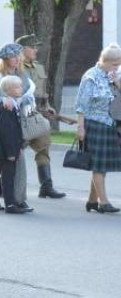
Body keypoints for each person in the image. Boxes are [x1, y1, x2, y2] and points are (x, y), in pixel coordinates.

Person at [75, 44, 121, 214]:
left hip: (109, 123)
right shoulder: (91, 76)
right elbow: (81, 105)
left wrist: (118, 83)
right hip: (94, 123)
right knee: (98, 166)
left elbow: (120, 99)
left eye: (119, 64)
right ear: (105, 61)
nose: (117, 67)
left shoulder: (109, 76)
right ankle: (103, 203)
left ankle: (92, 201)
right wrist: (80, 127)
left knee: (101, 166)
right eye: (115, 64)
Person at [15, 35, 67, 199]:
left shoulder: (39, 68)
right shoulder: (14, 68)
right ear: (22, 50)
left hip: (37, 116)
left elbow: (42, 93)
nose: (36, 50)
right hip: (20, 116)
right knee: (11, 152)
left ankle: (46, 186)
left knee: (43, 149)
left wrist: (48, 107)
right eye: (32, 47)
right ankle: (6, 185)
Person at [0, 42, 34, 212]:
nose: (16, 59)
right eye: (12, 56)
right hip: (6, 125)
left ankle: (18, 199)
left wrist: (27, 101)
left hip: (20, 123)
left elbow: (29, 93)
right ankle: (10, 202)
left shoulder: (22, 73)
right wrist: (2, 99)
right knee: (7, 167)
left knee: (18, 166)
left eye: (17, 56)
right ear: (5, 59)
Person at [0, 75, 30, 213]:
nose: (21, 89)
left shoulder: (14, 103)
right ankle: (10, 205)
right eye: (17, 87)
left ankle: (11, 203)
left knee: (8, 176)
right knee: (8, 177)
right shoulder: (7, 107)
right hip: (6, 150)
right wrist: (11, 152)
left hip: (11, 148)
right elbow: (7, 131)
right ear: (8, 90)